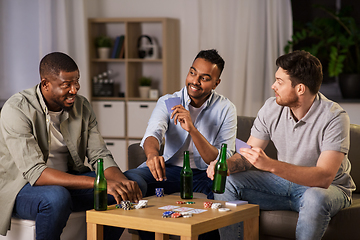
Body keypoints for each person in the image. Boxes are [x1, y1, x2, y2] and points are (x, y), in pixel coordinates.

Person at [207, 50, 356, 240]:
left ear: (300, 89)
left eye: (279, 81)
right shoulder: (272, 107)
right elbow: (247, 154)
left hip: (328, 189)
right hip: (283, 184)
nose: (273, 86)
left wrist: (269, 165)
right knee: (228, 181)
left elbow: (324, 177)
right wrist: (225, 165)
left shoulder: (334, 117)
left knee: (314, 198)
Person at [0, 52, 142, 240]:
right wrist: (99, 183)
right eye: (66, 85)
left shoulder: (81, 106)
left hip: (69, 183)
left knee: (135, 182)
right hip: (23, 189)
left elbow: (99, 154)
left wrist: (121, 183)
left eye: (76, 82)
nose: (74, 89)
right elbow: (36, 173)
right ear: (46, 84)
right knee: (56, 197)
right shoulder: (17, 109)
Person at [124, 49, 236, 239]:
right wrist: (152, 155)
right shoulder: (169, 101)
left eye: (204, 78)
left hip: (205, 173)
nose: (195, 81)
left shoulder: (226, 109)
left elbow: (221, 158)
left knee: (227, 187)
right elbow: (152, 134)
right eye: (192, 73)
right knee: (130, 179)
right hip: (169, 170)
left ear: (216, 83)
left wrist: (192, 129)